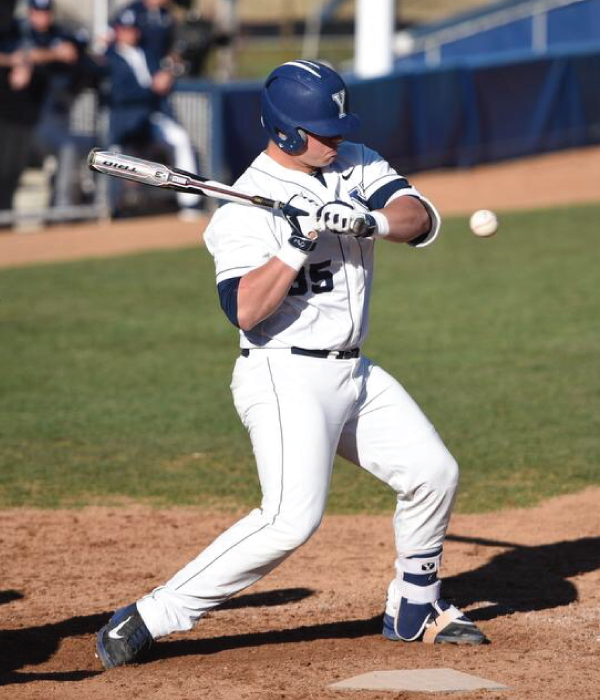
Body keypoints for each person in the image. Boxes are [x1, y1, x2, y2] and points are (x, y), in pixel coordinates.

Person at [95, 59, 487, 670]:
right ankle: (153, 614)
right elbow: (247, 310)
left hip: (353, 372)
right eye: (320, 132)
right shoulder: (240, 214)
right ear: (285, 133)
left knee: (433, 472)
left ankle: (414, 607)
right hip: (283, 375)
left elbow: (420, 218)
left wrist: (370, 219)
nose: (334, 140)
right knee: (289, 520)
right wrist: (294, 245)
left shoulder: (354, 159)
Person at [103, 6, 200, 218]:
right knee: (114, 154)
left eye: (133, 29)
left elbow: (167, 72)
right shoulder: (109, 57)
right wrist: (152, 87)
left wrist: (168, 73)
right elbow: (120, 93)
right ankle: (114, 209)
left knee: (179, 138)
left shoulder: (147, 52)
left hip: (151, 115)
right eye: (125, 29)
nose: (130, 33)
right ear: (117, 31)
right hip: (125, 120)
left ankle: (190, 202)